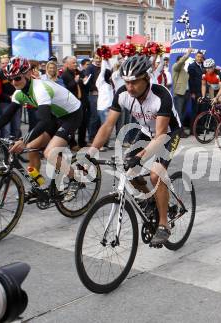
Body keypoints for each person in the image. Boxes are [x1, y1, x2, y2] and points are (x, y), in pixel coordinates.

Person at [88, 55, 182, 245]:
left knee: (156, 174)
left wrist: (139, 156)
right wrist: (91, 152)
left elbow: (161, 135)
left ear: (146, 78)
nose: (129, 87)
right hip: (146, 132)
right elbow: (107, 125)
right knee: (128, 170)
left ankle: (164, 224)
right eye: (126, 82)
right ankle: (150, 201)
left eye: (134, 82)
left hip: (168, 134)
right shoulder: (123, 94)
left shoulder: (161, 95)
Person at [0, 56, 83, 200]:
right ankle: (38, 185)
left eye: (17, 78)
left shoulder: (40, 89)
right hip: (55, 116)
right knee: (31, 148)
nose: (13, 82)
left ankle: (75, 179)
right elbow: (5, 118)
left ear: (27, 74)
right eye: (10, 79)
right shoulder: (19, 93)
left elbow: (44, 121)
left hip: (72, 114)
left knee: (49, 153)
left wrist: (22, 140)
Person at [0, 55, 21, 139]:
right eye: (3, 63)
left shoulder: (15, 73)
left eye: (6, 63)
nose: (4, 65)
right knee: (6, 127)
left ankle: (15, 144)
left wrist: (16, 95)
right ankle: (5, 146)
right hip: (4, 103)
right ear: (0, 64)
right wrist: (9, 97)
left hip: (16, 102)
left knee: (16, 126)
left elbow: (20, 86)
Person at [172, 48, 193, 138]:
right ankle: (177, 132)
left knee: (183, 114)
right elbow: (180, 62)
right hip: (179, 94)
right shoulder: (175, 67)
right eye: (182, 62)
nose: (184, 63)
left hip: (186, 93)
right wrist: (187, 53)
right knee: (179, 113)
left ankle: (181, 131)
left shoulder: (183, 70)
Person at [95, 57, 114, 150]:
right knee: (104, 127)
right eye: (110, 75)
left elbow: (110, 70)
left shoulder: (110, 84)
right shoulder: (100, 82)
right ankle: (100, 145)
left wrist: (108, 60)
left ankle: (106, 143)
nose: (111, 76)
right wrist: (103, 58)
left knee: (109, 127)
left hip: (110, 108)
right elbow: (103, 71)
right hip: (103, 108)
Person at [187, 51, 204, 128]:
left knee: (201, 110)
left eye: (201, 57)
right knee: (195, 110)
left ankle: (199, 128)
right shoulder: (192, 66)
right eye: (198, 56)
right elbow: (190, 80)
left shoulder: (203, 66)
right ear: (195, 57)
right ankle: (192, 129)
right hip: (195, 92)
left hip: (202, 91)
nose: (199, 58)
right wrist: (192, 92)